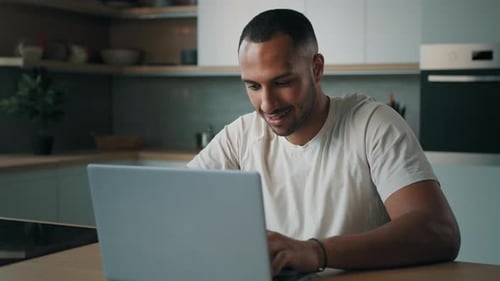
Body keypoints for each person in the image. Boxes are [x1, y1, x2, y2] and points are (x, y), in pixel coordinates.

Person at [187, 8, 460, 277]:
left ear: (316, 68)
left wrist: (316, 252)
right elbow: (173, 205)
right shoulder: (240, 136)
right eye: (253, 86)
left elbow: (439, 230)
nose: (267, 104)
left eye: (282, 82)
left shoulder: (372, 125)